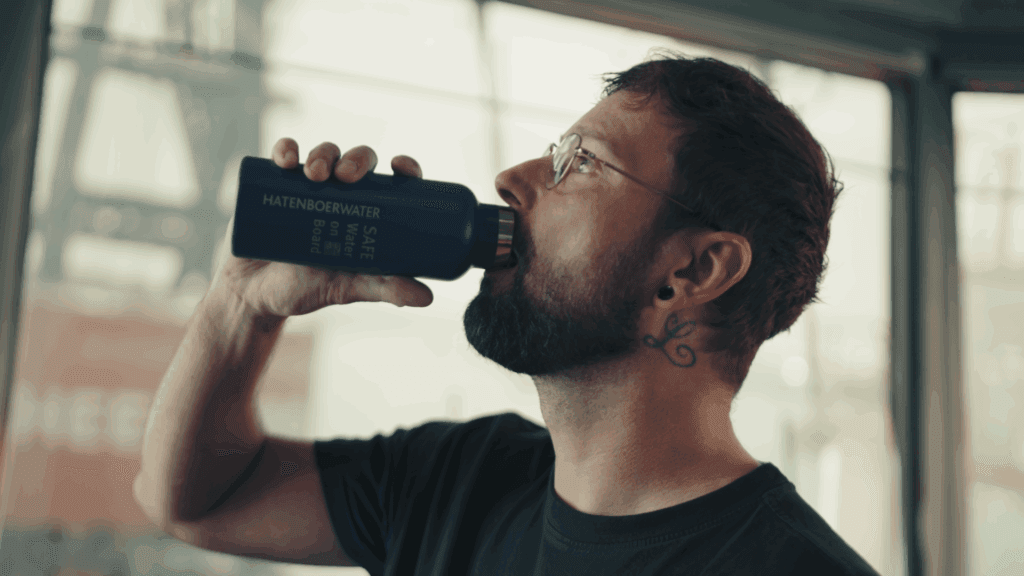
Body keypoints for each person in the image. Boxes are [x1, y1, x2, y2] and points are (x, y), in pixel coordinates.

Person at [133, 52, 881, 575]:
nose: (513, 178)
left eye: (580, 163)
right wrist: (241, 306)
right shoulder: (463, 482)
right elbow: (196, 503)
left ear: (693, 270)